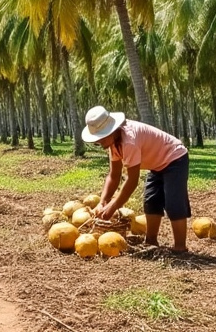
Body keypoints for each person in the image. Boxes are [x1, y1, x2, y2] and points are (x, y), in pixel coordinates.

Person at [81, 105, 190, 253]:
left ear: (112, 131)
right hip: (157, 165)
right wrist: (103, 201)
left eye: (100, 138)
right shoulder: (114, 144)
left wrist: (113, 206)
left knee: (173, 202)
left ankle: (180, 248)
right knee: (151, 200)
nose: (98, 142)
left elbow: (132, 181)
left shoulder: (129, 141)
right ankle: (151, 241)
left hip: (174, 158)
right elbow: (114, 175)